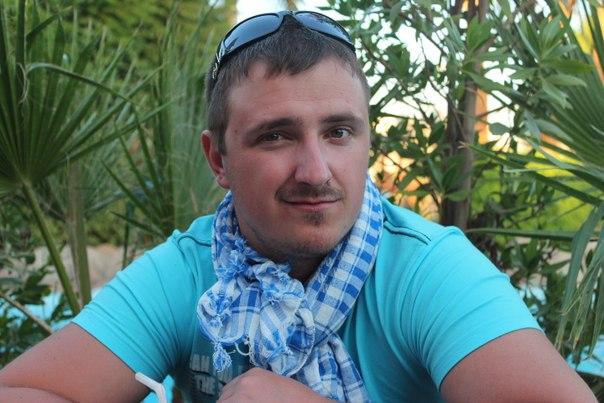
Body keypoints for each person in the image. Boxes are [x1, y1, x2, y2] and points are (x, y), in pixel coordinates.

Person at [0, 10, 596, 403]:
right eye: (276, 136)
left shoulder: (427, 271)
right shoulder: (189, 271)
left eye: (338, 132)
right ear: (218, 159)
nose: (316, 171)